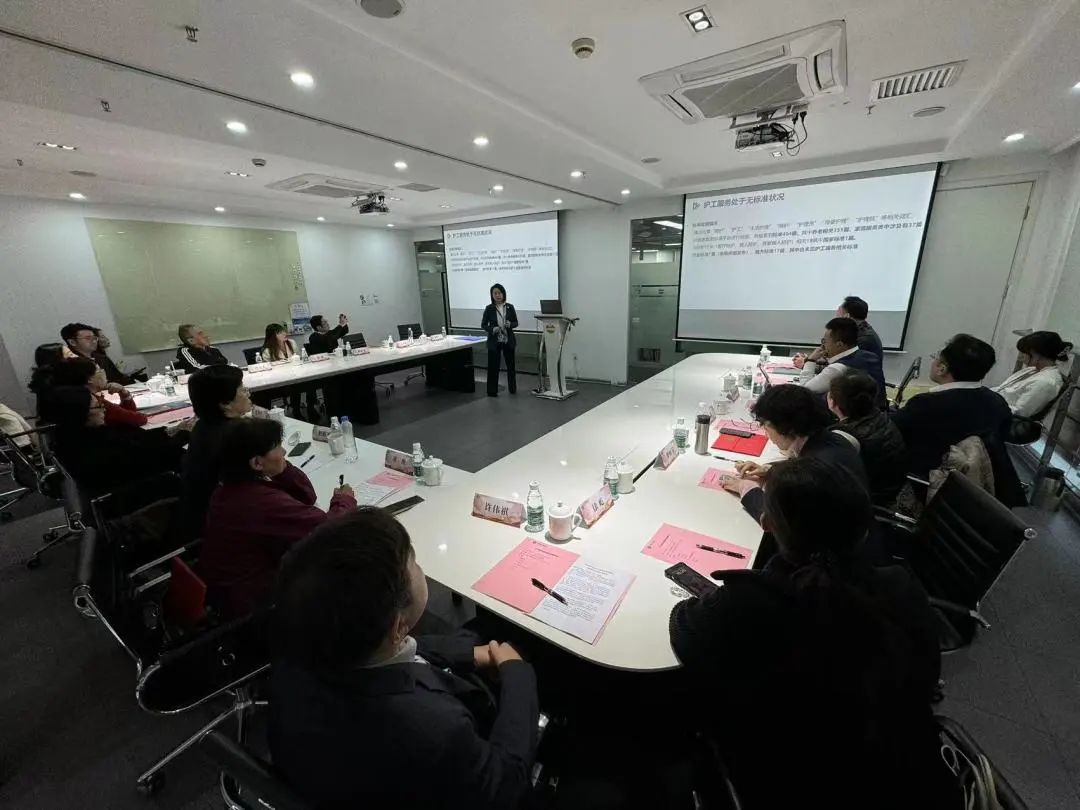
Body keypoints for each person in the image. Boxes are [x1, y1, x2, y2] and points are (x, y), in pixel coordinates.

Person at [670, 458, 954, 809]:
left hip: (795, 782)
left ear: (766, 524)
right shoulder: (900, 587)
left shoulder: (754, 602)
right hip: (912, 780)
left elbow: (682, 627)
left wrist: (720, 597)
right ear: (863, 529)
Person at [269, 509, 538, 809]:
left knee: (479, 631)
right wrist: (517, 672)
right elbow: (505, 781)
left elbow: (394, 652)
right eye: (414, 562)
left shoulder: (296, 659)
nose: (419, 567)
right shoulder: (435, 729)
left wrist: (467, 654)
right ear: (398, 627)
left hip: (345, 776)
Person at [197, 418, 356, 618]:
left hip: (229, 592)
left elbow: (307, 497)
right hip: (259, 605)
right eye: (277, 447)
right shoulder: (260, 502)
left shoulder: (228, 488)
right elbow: (330, 529)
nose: (284, 452)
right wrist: (344, 500)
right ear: (256, 463)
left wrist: (282, 469)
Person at [720, 384, 868, 567]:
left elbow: (775, 521)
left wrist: (746, 488)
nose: (766, 433)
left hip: (826, 564)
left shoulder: (814, 473)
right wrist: (773, 471)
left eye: (766, 426)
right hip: (855, 537)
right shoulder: (832, 439)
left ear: (786, 429)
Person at [891, 333, 1010, 479]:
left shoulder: (926, 404)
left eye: (935, 357)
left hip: (923, 481)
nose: (933, 361)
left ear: (941, 369)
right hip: (976, 484)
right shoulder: (998, 402)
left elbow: (889, 433)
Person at [40, 386, 186, 497]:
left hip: (127, 482)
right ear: (79, 414)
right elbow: (147, 456)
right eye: (97, 405)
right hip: (132, 496)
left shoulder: (74, 436)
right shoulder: (94, 448)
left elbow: (133, 442)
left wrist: (168, 431)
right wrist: (184, 436)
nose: (103, 408)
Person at [179, 365, 252, 540]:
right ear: (225, 403)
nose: (248, 393)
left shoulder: (203, 426)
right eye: (242, 389)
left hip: (200, 516)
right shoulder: (235, 437)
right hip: (229, 527)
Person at [828, 370, 908, 505]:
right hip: (888, 489)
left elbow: (825, 477)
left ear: (832, 402)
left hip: (866, 500)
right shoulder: (880, 417)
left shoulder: (846, 437)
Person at [794, 317, 886, 407]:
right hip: (877, 412)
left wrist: (810, 360)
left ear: (839, 344)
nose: (822, 346)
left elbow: (804, 391)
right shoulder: (868, 355)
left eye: (824, 341)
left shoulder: (838, 368)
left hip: (850, 415)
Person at [48, 356, 148, 428]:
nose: (103, 372)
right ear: (89, 379)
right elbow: (138, 419)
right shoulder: (91, 401)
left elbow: (126, 414)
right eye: (99, 371)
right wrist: (123, 391)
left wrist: (123, 393)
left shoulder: (74, 396)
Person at [993, 330, 1072, 418]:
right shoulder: (1032, 370)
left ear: (1038, 354)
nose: (1020, 356)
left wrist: (987, 402)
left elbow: (1019, 413)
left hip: (999, 417)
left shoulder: (1045, 383)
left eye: (1023, 352)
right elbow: (1002, 389)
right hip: (994, 405)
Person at [481, 283, 518, 396]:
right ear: (492, 295)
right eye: (495, 293)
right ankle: (492, 391)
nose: (497, 295)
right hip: (494, 341)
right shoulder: (489, 308)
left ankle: (512, 389)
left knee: (511, 366)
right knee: (493, 366)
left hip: (508, 340)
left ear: (503, 294)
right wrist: (492, 329)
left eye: (499, 293)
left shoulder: (510, 307)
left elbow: (516, 322)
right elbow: (483, 325)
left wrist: (510, 324)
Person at [837, 295, 884, 360]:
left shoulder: (863, 338)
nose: (836, 319)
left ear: (847, 316)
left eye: (839, 315)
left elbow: (843, 361)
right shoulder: (860, 330)